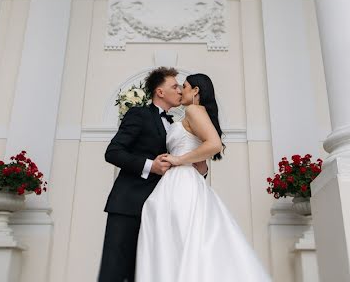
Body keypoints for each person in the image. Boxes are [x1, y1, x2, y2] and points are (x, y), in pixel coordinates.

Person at [135, 73, 271, 282]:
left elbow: (214, 144)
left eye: (185, 86)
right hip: (180, 181)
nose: (181, 90)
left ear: (196, 90)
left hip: (181, 182)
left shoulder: (193, 110)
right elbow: (200, 151)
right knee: (183, 235)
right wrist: (194, 162)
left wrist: (179, 159)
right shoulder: (194, 114)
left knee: (178, 236)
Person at [98, 67, 207, 282]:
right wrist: (150, 166)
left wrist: (198, 170)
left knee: (149, 271)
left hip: (161, 207)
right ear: (160, 92)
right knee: (116, 270)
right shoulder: (138, 115)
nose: (179, 90)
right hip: (129, 204)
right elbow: (113, 152)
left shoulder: (178, 125)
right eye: (174, 86)